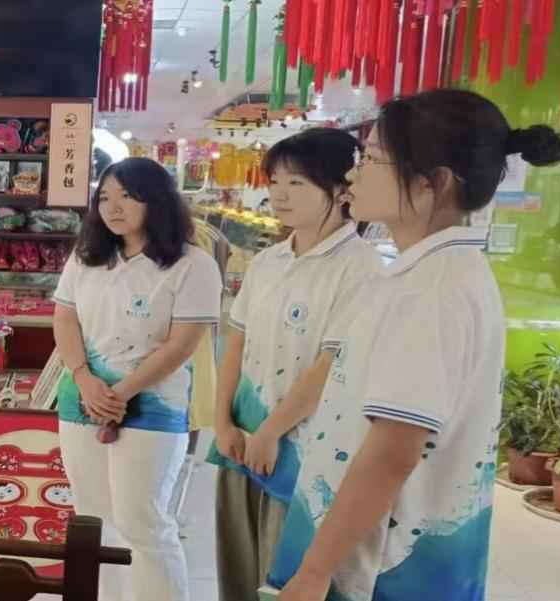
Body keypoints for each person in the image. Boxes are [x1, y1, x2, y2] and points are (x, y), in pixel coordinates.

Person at [267, 90, 560, 601]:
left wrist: (316, 570)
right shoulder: (431, 273)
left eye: (372, 159)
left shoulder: (431, 292)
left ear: (433, 182)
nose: (354, 174)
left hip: (382, 568)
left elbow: (392, 453)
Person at [208, 128, 382, 601]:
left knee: (282, 574)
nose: (279, 194)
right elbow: (235, 345)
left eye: (297, 183)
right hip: (242, 439)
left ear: (342, 190)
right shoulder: (269, 261)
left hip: (302, 450)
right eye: (275, 181)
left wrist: (271, 431)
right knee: (236, 570)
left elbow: (330, 365)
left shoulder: (361, 267)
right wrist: (221, 422)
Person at [52, 156, 224, 601]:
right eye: (105, 197)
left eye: (127, 196)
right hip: (81, 400)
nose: (113, 207)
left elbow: (182, 345)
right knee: (93, 519)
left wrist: (121, 393)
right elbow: (65, 320)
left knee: (142, 522)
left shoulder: (193, 264)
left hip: (153, 405)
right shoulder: (87, 257)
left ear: (157, 200)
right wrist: (84, 378)